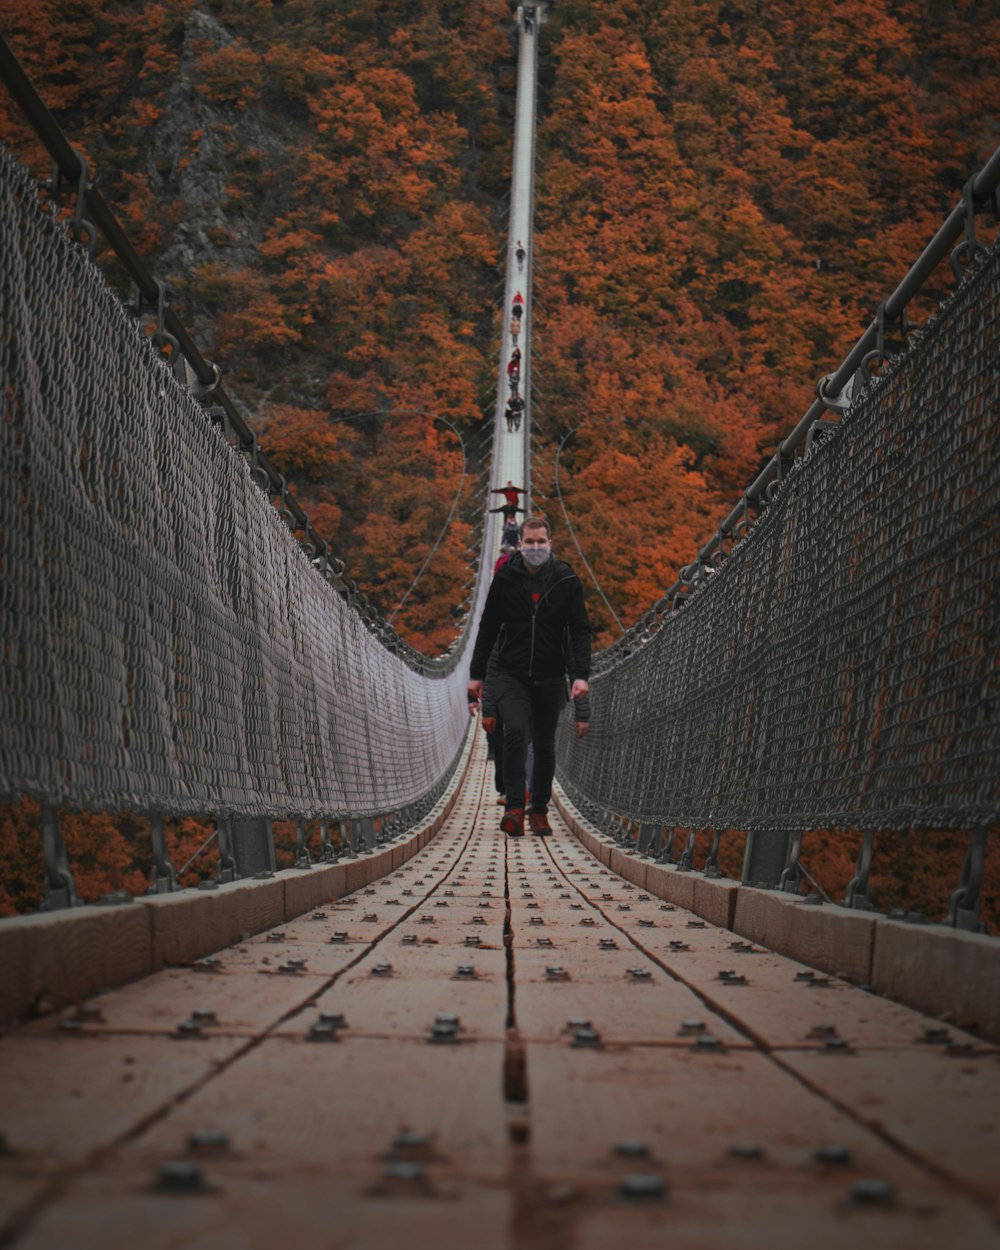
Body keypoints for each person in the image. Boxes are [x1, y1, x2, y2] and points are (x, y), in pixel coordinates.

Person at [468, 516, 591, 837]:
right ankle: (513, 807)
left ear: (550, 543)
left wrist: (580, 675)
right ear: (519, 544)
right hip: (512, 673)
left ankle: (538, 810)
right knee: (515, 734)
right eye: (529, 542)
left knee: (545, 744)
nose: (535, 547)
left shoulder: (566, 580)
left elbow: (579, 630)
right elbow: (488, 626)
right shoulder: (506, 577)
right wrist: (476, 674)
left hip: (551, 675)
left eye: (541, 542)